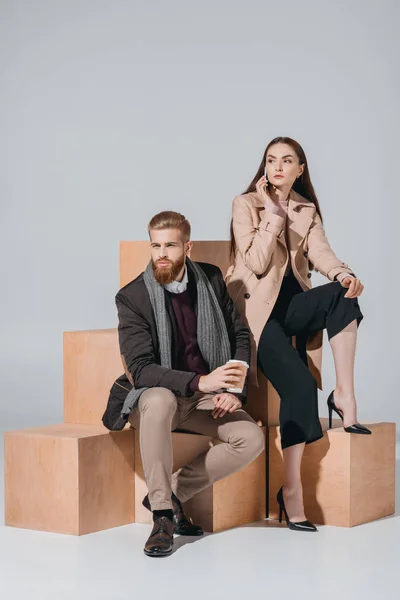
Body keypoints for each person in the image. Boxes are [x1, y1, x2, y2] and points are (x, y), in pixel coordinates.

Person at [226, 136, 370, 533]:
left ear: (300, 170)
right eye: (271, 160)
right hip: (256, 316)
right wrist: (272, 213)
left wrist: (342, 273)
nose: (277, 167)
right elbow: (254, 262)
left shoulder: (306, 209)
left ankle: (344, 395)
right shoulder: (246, 205)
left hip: (290, 309)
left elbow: (321, 252)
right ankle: (292, 491)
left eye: (287, 161)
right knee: (302, 388)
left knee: (345, 293)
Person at [102, 210, 264, 557]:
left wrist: (233, 388)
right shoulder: (132, 297)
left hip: (203, 398)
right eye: (155, 245)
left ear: (187, 247)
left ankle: (170, 493)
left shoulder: (210, 278)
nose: (161, 254)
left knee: (250, 438)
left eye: (170, 246)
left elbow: (238, 333)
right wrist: (202, 381)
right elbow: (140, 369)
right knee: (159, 399)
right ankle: (162, 517)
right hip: (158, 400)